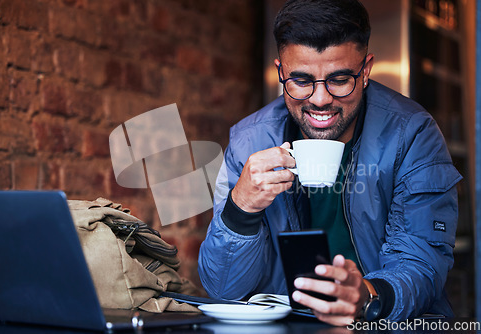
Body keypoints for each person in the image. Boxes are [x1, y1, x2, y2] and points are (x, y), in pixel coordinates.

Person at [198, 0, 462, 326]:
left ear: (365, 71)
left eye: (339, 79)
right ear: (281, 72)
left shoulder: (412, 135)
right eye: (301, 80)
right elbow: (223, 289)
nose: (320, 99)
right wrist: (241, 209)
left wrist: (367, 295)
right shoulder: (248, 142)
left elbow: (421, 265)